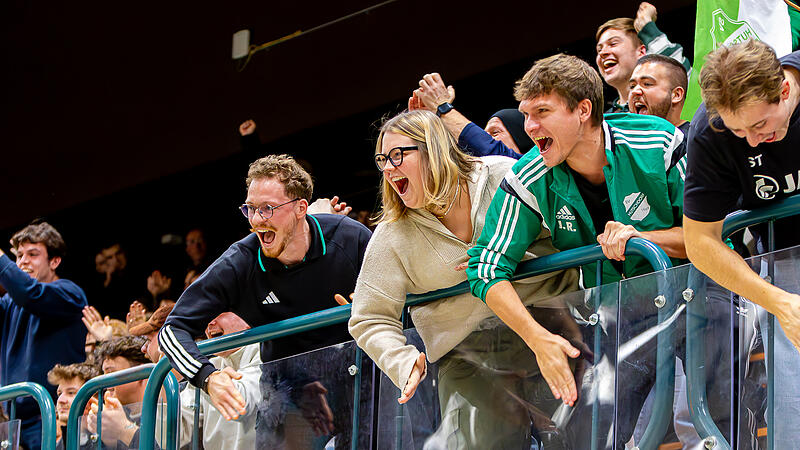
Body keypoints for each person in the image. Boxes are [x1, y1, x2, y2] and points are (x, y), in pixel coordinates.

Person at [464, 53, 687, 447]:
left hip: (697, 297)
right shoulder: (529, 175)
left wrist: (641, 238)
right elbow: (485, 267)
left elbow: (712, 235)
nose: (531, 127)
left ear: (583, 110)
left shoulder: (659, 141)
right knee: (589, 437)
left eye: (543, 112)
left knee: (721, 410)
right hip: (619, 321)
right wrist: (537, 338)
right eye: (526, 114)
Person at [348, 109, 580, 447]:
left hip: (547, 323)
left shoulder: (504, 175)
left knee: (582, 437)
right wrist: (402, 360)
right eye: (382, 159)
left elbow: (565, 233)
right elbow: (369, 317)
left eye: (398, 155)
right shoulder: (390, 233)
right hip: (467, 355)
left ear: (434, 148)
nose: (388, 167)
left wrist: (498, 259)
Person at [159, 154, 372, 448]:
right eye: (251, 209)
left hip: (359, 377)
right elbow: (171, 331)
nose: (258, 220)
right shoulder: (240, 262)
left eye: (268, 209)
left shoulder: (350, 239)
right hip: (289, 395)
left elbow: (401, 302)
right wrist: (208, 378)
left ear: (301, 208)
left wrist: (371, 303)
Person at [682, 39, 800, 447]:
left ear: (784, 91)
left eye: (760, 126)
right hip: (783, 260)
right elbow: (699, 241)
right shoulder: (709, 131)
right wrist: (779, 302)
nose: (750, 141)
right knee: (792, 409)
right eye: (738, 130)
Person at [0, 221, 87, 449]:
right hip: (12, 422)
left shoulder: (70, 293)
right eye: (18, 255)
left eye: (33, 254)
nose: (23, 261)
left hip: (51, 416)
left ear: (54, 261)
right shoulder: (10, 303)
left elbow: (29, 293)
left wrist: (1, 261)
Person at [596, 2, 690, 112]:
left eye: (613, 44)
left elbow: (683, 76)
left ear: (641, 51)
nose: (602, 53)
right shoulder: (604, 121)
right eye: (599, 49)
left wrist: (646, 26)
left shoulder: (664, 107)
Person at [408, 77, 533, 159]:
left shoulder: (533, 167)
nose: (486, 137)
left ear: (521, 137)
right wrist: (425, 127)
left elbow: (490, 149)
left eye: (495, 132)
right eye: (484, 133)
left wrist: (442, 107)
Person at [86, 335, 151, 449]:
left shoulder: (162, 415)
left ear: (141, 374)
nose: (106, 385)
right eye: (104, 375)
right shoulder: (108, 420)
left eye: (111, 373)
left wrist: (124, 430)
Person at [48, 363, 100, 449]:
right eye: (59, 394)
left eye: (71, 392)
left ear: (95, 397)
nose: (60, 400)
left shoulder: (110, 441)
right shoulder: (57, 447)